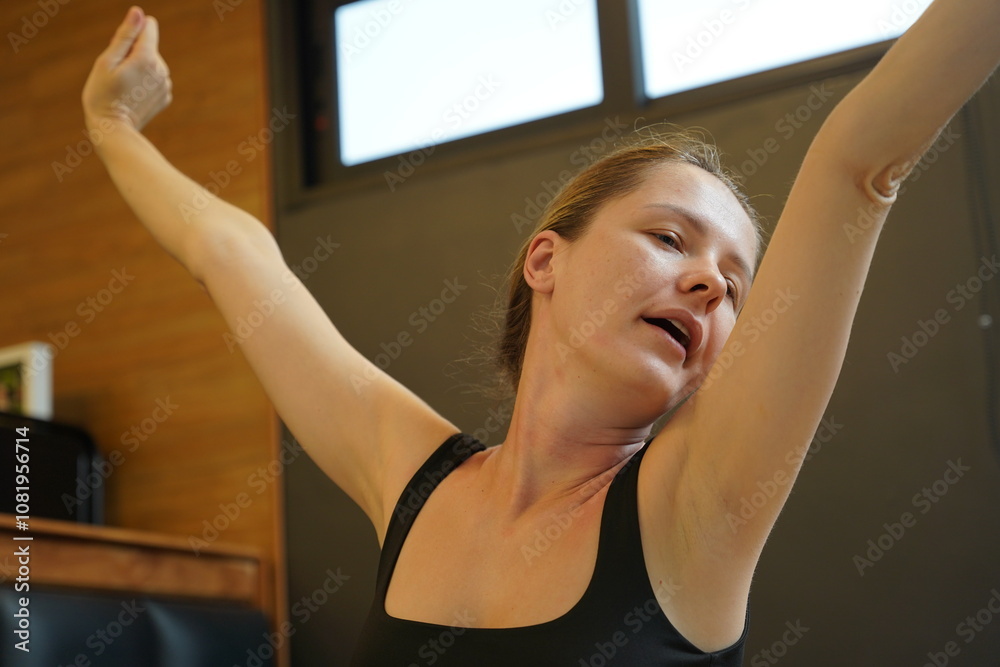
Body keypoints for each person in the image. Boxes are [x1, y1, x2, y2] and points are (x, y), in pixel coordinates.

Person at [82, 3, 1000, 665]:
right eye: (670, 238)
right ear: (546, 260)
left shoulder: (694, 508)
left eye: (734, 286)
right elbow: (236, 257)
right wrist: (112, 123)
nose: (708, 282)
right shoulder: (415, 478)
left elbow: (859, 166)